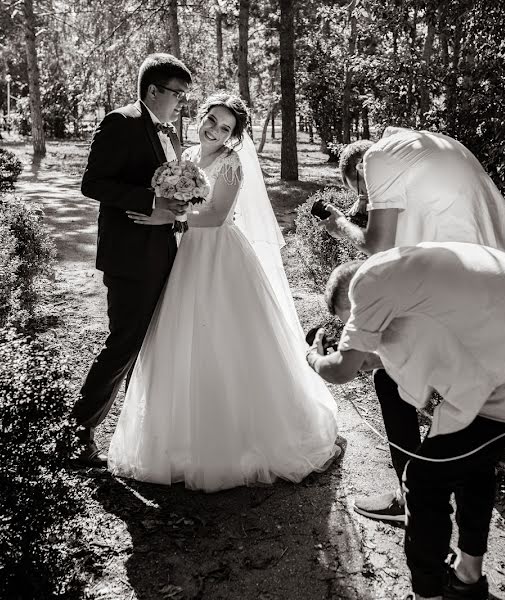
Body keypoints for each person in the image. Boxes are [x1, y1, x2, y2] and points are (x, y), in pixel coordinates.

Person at [306, 243, 505, 600]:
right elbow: (426, 339)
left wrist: (314, 359)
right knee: (470, 464)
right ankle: (467, 579)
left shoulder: (367, 283)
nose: (356, 332)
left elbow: (341, 370)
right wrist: (370, 357)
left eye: (351, 321)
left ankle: (429, 594)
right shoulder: (407, 270)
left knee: (423, 476)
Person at [107, 93, 340, 492]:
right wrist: (170, 208)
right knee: (186, 338)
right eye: (211, 120)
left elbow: (215, 215)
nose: (215, 130)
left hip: (220, 254)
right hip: (188, 254)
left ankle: (241, 439)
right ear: (201, 117)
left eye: (225, 127)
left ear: (235, 136)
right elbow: (180, 200)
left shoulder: (231, 163)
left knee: (229, 337)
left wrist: (167, 216)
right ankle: (181, 440)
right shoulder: (188, 154)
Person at [320, 127, 505, 522]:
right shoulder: (436, 150)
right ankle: (464, 507)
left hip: (462, 289)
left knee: (388, 376)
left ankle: (412, 493)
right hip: (502, 279)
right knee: (471, 397)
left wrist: (340, 227)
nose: (365, 202)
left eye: (363, 192)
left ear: (364, 168)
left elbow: (379, 247)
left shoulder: (380, 160)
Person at [70, 53, 192, 467]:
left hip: (164, 250)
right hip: (129, 254)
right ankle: (78, 429)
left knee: (152, 341)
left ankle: (137, 431)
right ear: (152, 90)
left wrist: (177, 214)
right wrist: (152, 202)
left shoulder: (171, 133)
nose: (181, 102)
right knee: (124, 341)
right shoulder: (119, 122)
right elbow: (93, 182)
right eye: (177, 93)